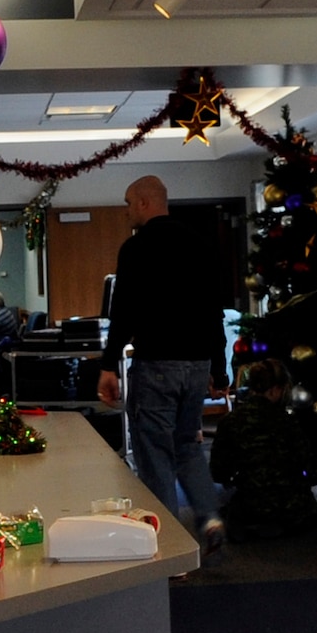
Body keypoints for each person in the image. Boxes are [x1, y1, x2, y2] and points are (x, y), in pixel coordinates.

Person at [98, 175, 227, 550]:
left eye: (127, 203)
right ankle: (211, 518)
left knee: (154, 454)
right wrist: (219, 370)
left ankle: (170, 547)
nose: (126, 212)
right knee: (187, 445)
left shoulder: (136, 249)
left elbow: (123, 312)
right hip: (197, 363)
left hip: (157, 364)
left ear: (142, 202)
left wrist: (108, 365)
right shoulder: (201, 245)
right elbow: (213, 313)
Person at [209, 358, 317, 540]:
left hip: (248, 511)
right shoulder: (288, 423)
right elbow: (312, 469)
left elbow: (218, 473)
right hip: (293, 513)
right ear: (275, 390)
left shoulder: (229, 422)